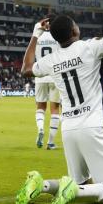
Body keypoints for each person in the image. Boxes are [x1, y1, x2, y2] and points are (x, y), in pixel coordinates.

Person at [16, 0, 103, 204]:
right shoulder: (91, 47)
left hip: (70, 129)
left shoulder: (52, 60)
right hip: (95, 126)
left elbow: (26, 69)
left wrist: (36, 34)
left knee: (84, 182)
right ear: (74, 30)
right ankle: (72, 191)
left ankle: (42, 185)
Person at [34, 14, 61, 150]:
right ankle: (50, 142)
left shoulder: (37, 36)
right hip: (55, 75)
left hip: (40, 75)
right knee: (55, 108)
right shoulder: (57, 36)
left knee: (40, 107)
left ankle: (40, 129)